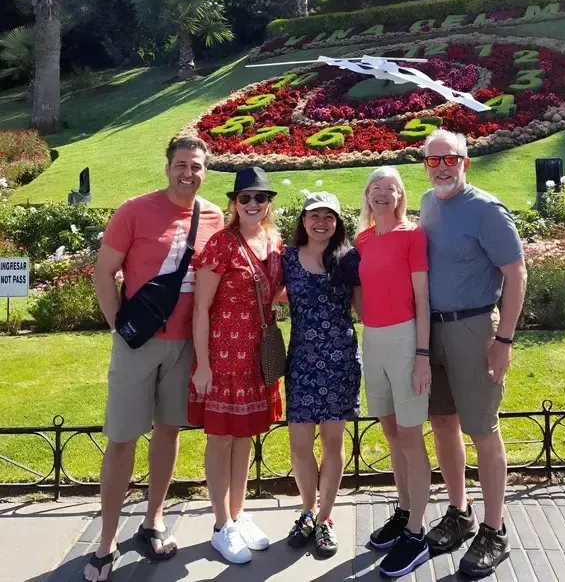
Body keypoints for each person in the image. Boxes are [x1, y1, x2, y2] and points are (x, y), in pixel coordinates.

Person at [84, 137, 224, 582]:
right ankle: (106, 542)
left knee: (168, 431)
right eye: (181, 164)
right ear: (167, 168)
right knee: (122, 438)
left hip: (185, 343)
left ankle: (153, 521)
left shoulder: (214, 216)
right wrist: (118, 327)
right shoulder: (134, 210)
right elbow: (103, 272)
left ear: (205, 171)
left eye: (197, 166)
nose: (189, 172)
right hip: (138, 344)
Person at [419, 129, 527, 579]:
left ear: (466, 161)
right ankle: (460, 512)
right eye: (433, 160)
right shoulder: (427, 202)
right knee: (443, 423)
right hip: (433, 331)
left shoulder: (486, 210)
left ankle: (494, 530)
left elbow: (516, 273)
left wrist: (504, 341)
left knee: (483, 429)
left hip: (475, 327)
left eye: (451, 158)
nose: (442, 166)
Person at [189, 166, 283, 565]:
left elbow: (276, 291)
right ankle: (220, 524)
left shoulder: (273, 240)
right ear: (233, 202)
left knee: (245, 437)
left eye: (259, 197)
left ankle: (239, 514)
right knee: (222, 438)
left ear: (268, 203)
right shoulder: (221, 244)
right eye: (244, 197)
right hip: (224, 354)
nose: (252, 204)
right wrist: (203, 365)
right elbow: (200, 307)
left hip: (256, 355)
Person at [356, 166, 432, 578]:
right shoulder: (363, 240)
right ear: (367, 196)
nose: (383, 195)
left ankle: (417, 533)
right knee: (389, 429)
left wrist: (422, 354)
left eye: (392, 189)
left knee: (409, 433)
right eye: (377, 189)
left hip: (405, 340)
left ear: (401, 197)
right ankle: (404, 512)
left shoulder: (413, 235)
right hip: (373, 339)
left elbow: (422, 298)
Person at [283, 191, 362, 558]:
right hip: (301, 361)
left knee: (332, 444)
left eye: (329, 217)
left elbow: (364, 306)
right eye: (314, 215)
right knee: (300, 446)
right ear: (303, 220)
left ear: (337, 223)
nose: (321, 223)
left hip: (339, 360)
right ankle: (307, 511)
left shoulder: (347, 259)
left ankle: (325, 519)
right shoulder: (286, 258)